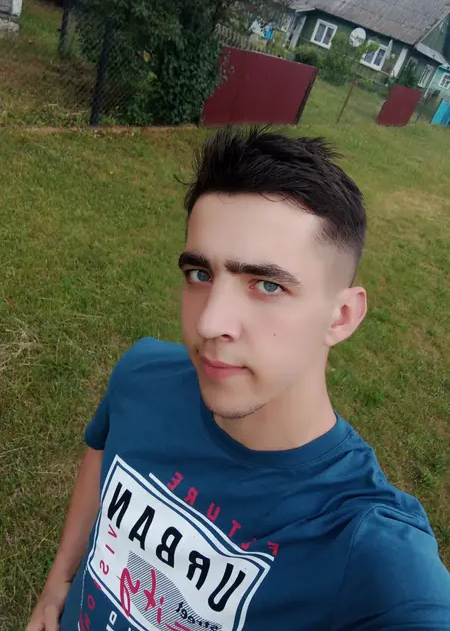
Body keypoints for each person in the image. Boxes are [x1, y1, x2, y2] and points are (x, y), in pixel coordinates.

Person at [27, 127, 450, 631]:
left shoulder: (368, 549)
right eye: (200, 275)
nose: (209, 323)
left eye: (267, 285)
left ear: (341, 317)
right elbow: (101, 453)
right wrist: (58, 582)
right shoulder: (141, 374)